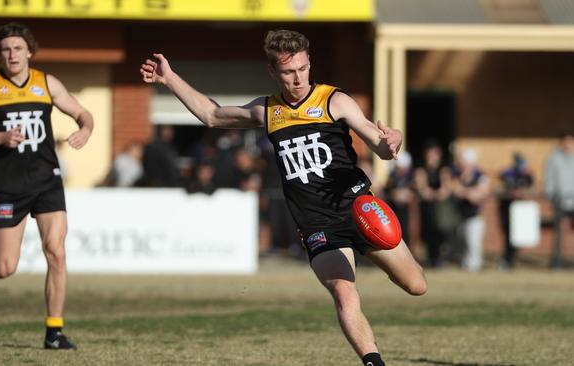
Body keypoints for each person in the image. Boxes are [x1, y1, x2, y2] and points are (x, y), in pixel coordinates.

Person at [140, 29, 426, 366]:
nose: (298, 78)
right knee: (344, 292)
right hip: (318, 224)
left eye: (303, 68)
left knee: (416, 285)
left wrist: (395, 138)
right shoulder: (268, 111)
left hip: (359, 210)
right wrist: (170, 78)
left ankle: (384, 262)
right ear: (273, 72)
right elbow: (212, 115)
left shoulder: (335, 101)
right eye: (289, 72)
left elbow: (380, 145)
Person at [0, 22, 94, 350]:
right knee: (5, 267)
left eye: (18, 48)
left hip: (48, 182)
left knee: (56, 253)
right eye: (5, 50)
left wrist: (85, 130)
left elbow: (83, 114)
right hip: (10, 187)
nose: (12, 54)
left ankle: (54, 331)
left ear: (29, 51)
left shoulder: (46, 83)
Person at [414, 140, 453, 268]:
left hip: (441, 208)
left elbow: (445, 189)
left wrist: (434, 194)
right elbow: (422, 188)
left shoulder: (444, 168)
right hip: (427, 207)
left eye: (434, 154)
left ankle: (440, 257)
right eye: (429, 154)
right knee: (428, 232)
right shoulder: (421, 169)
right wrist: (432, 194)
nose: (432, 157)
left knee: (441, 231)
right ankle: (432, 258)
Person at [450, 148, 489, 271]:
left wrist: (464, 191)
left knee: (473, 243)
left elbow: (477, 196)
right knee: (462, 243)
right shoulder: (457, 175)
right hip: (460, 215)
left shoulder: (480, 176)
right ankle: (465, 265)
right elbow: (454, 189)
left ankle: (474, 267)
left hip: (475, 216)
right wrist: (468, 192)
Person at [498, 152, 535, 269]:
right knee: (508, 235)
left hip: (521, 210)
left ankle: (510, 259)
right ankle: (506, 260)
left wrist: (524, 193)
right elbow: (504, 187)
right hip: (507, 208)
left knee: (517, 237)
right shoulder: (508, 173)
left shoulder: (528, 175)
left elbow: (531, 190)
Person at [544, 130, 574, 269]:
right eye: (566, 141)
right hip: (560, 200)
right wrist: (552, 197)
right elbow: (549, 180)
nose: (568, 144)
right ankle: (557, 263)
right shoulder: (554, 159)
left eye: (570, 141)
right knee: (559, 233)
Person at [383, 151, 414, 243]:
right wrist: (396, 194)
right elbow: (387, 192)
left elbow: (413, 192)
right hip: (394, 210)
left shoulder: (411, 176)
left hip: (407, 211)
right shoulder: (392, 177)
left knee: (406, 231)